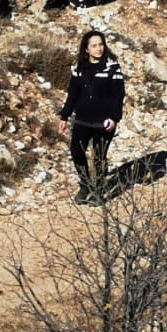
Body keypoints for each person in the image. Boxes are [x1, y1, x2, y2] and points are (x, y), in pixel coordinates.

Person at [58, 30, 125, 204]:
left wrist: (114, 118)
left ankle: (99, 190)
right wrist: (64, 116)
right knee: (77, 151)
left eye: (101, 44)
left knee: (99, 156)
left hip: (103, 121)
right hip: (82, 119)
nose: (99, 49)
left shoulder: (112, 67)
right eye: (94, 45)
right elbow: (72, 94)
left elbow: (118, 96)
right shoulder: (78, 69)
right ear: (86, 49)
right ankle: (85, 184)